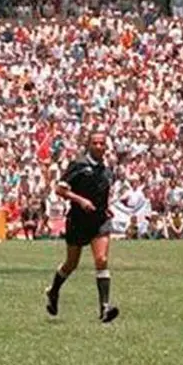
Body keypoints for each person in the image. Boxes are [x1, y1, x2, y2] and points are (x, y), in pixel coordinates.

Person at [44, 130, 120, 323]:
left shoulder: (106, 170)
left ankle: (105, 308)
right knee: (71, 264)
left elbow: (101, 194)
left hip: (99, 221)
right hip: (78, 220)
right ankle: (53, 291)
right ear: (89, 145)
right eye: (95, 143)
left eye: (102, 143)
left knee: (101, 259)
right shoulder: (78, 165)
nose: (99, 146)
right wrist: (80, 200)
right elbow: (60, 189)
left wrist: (106, 208)